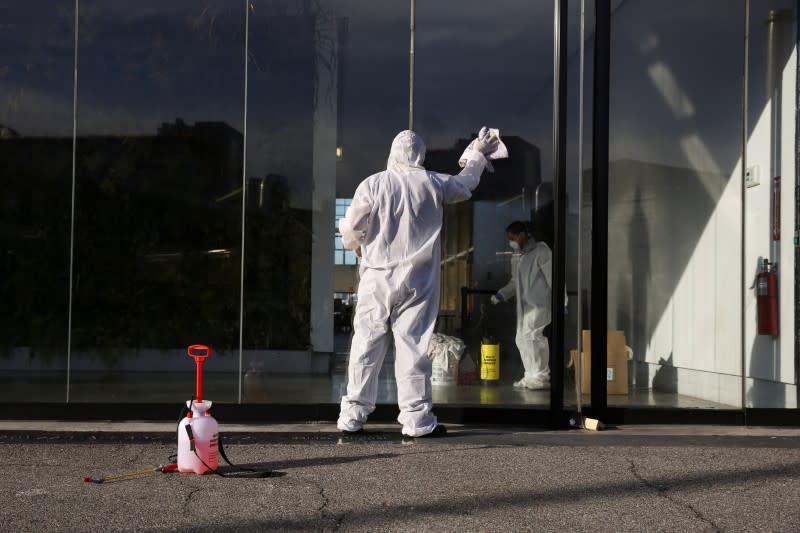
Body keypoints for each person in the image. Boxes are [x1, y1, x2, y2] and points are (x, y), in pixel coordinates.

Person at [337, 128, 498, 437]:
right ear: (421, 155)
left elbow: (351, 229)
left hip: (376, 278)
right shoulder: (433, 182)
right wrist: (477, 152)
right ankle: (417, 420)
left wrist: (356, 244)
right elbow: (466, 184)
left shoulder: (372, 184)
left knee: (365, 346)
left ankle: (352, 416)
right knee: (413, 347)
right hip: (417, 281)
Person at [491, 221, 552, 389]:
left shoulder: (541, 250)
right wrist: (502, 293)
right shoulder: (517, 256)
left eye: (513, 237)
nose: (511, 241)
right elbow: (514, 281)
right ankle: (531, 375)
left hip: (540, 303)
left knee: (533, 337)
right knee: (522, 339)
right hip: (524, 307)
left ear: (523, 234)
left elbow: (554, 276)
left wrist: (563, 300)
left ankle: (541, 376)